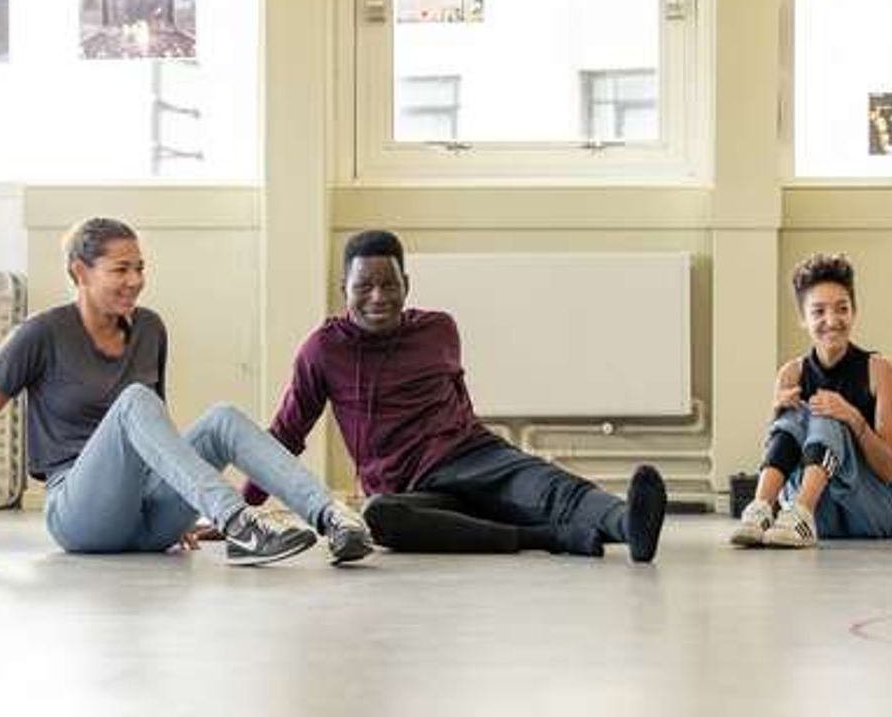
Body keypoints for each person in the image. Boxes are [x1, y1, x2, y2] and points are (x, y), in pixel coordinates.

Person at [0, 217, 371, 567]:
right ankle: (238, 521)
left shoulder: (150, 328)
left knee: (220, 418)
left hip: (149, 521)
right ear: (80, 272)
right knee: (135, 400)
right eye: (120, 269)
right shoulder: (39, 334)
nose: (135, 280)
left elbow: (157, 429)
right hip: (81, 515)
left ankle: (333, 519)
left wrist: (180, 503)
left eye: (139, 267)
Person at [243, 230, 668, 562]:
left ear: (406, 285)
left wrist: (496, 463)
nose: (378, 297)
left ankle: (631, 526)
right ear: (344, 289)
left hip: (475, 456)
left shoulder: (438, 329)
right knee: (380, 518)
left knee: (554, 489)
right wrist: (240, 511)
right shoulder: (322, 350)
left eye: (389, 284)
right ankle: (546, 537)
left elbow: (460, 401)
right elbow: (286, 433)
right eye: (364, 286)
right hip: (410, 487)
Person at [730, 253, 892, 548]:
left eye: (842, 309)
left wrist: (853, 418)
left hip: (875, 510)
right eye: (819, 311)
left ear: (854, 311)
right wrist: (777, 414)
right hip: (822, 514)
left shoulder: (880, 369)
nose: (832, 320)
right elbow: (779, 450)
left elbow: (888, 469)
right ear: (803, 318)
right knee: (793, 416)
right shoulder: (791, 373)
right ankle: (759, 510)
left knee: (826, 415)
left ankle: (800, 514)